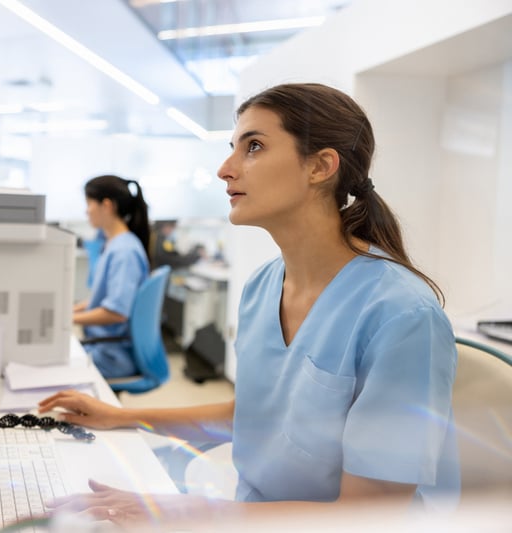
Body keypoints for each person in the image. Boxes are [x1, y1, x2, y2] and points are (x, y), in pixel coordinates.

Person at [38, 83, 459, 528]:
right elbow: (253, 415)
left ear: (320, 166)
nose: (224, 169)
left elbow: (369, 516)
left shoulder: (402, 317)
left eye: (253, 146)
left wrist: (182, 511)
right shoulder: (262, 287)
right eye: (232, 148)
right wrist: (121, 416)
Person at [73, 175, 151, 379]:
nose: (86, 211)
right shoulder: (114, 244)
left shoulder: (124, 251)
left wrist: (67, 319)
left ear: (106, 206)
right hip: (104, 345)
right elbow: (105, 298)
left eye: (89, 204)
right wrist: (72, 310)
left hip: (112, 355)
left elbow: (116, 312)